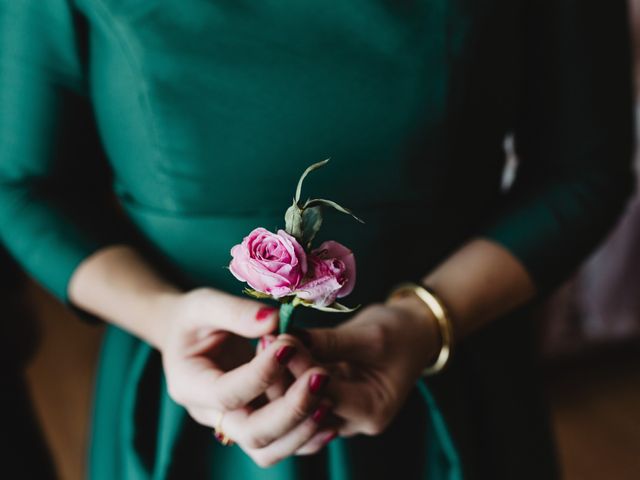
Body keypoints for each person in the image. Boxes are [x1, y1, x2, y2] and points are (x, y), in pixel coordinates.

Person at [0, 1, 633, 479]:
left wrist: (425, 321)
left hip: (447, 371)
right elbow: (24, 185)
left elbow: (584, 167)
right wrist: (164, 319)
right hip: (187, 384)